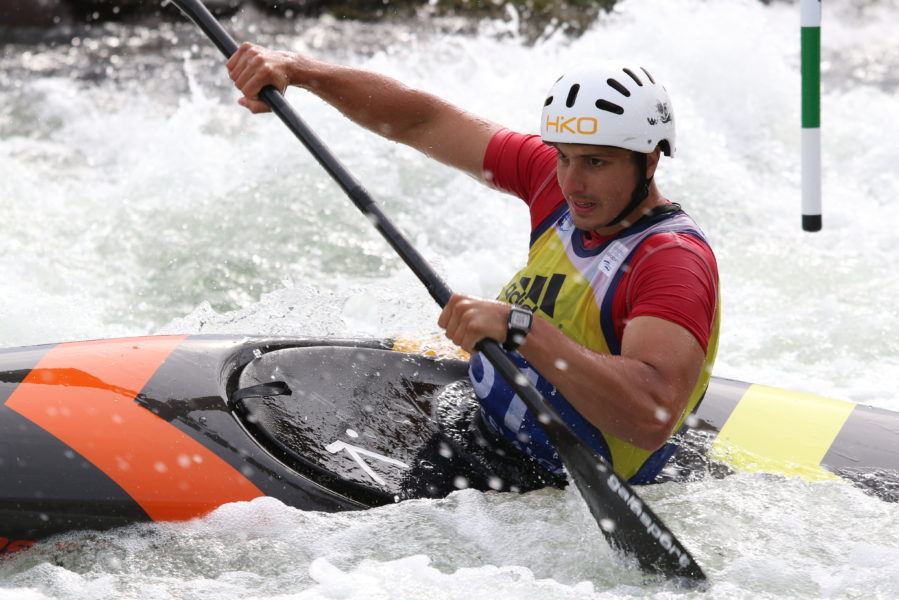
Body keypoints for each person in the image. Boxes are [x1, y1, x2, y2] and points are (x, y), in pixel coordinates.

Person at [226, 45, 719, 485]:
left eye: (596, 162)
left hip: (564, 482)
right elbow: (422, 120)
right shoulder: (554, 183)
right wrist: (302, 71)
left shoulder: (671, 261)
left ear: (649, 160)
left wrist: (522, 329)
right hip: (489, 433)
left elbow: (651, 417)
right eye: (564, 157)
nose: (572, 183)